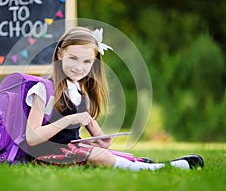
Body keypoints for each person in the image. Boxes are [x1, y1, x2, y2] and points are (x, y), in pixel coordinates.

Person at [24, 26, 204, 171]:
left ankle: (155, 166)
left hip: (72, 151)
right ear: (60, 54)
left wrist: (103, 139)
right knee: (98, 156)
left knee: (111, 154)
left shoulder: (81, 92)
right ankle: (155, 169)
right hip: (47, 154)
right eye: (73, 58)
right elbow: (32, 138)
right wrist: (70, 119)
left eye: (87, 62)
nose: (79, 67)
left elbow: (98, 136)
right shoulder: (45, 89)